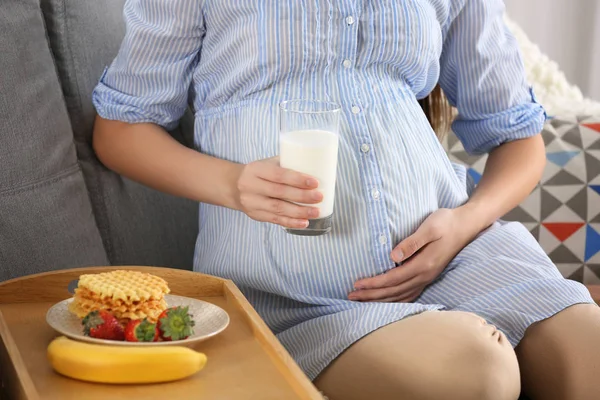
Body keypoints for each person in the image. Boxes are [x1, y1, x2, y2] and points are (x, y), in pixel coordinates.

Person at [92, 1, 600, 399]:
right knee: (477, 372)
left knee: (590, 352)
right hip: (297, 291)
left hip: (460, 257)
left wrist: (464, 224)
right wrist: (232, 183)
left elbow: (518, 137)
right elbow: (119, 131)